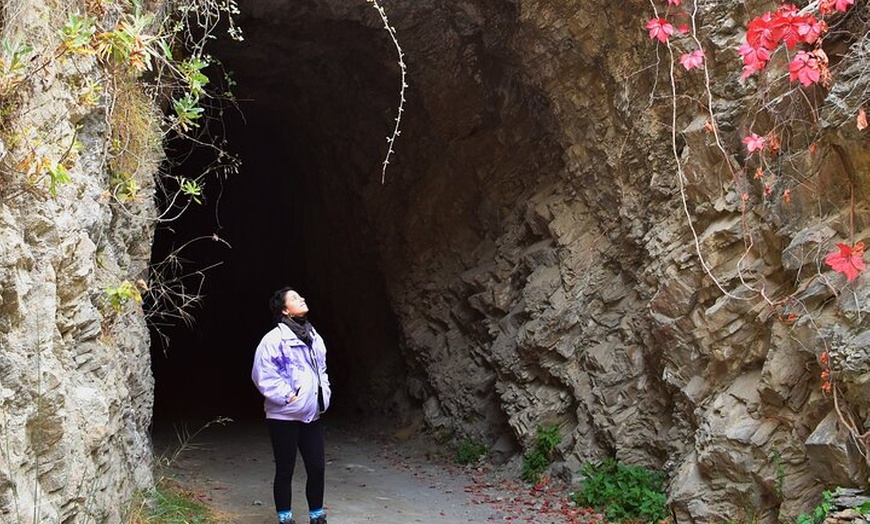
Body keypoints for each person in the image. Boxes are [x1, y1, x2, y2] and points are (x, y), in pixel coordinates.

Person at [252, 287, 332, 524]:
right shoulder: (274, 340)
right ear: (285, 310)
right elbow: (262, 374)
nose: (303, 299)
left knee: (317, 467)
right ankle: (285, 518)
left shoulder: (313, 336)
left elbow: (322, 369)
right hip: (283, 416)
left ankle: (317, 515)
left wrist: (324, 392)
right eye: (296, 298)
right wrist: (288, 396)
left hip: (311, 414)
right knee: (285, 469)